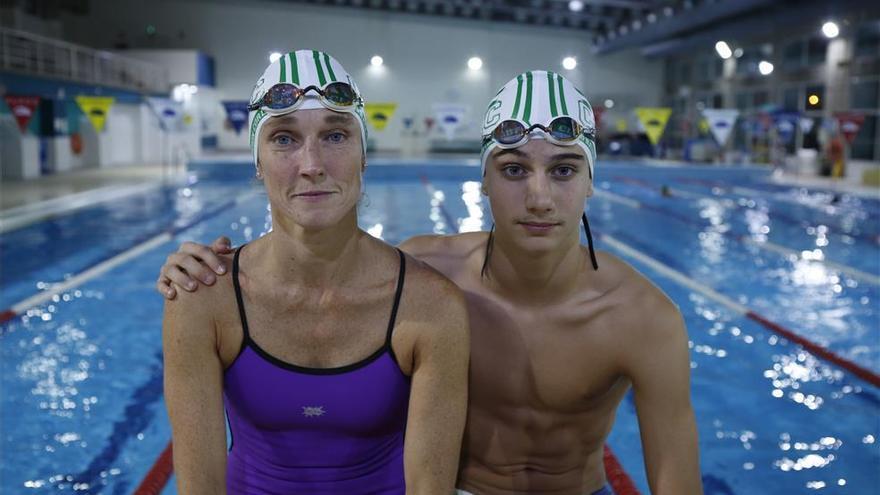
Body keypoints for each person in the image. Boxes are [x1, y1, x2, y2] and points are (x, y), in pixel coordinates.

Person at [159, 70, 703, 495]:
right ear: (484, 182)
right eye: (513, 170)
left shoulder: (644, 319)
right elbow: (322, 276)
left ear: (590, 184)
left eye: (563, 170)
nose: (539, 197)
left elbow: (677, 483)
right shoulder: (425, 277)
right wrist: (198, 267)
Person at [161, 49, 469, 494]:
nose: (311, 165)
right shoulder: (202, 297)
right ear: (257, 160)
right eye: (284, 139)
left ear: (364, 154)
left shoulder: (431, 307)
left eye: (336, 136)